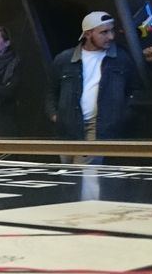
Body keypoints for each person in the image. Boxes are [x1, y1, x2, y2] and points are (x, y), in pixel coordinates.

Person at [46, 11, 139, 163]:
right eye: (104, 32)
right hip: (68, 125)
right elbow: (52, 91)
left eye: (112, 30)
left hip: (99, 126)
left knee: (84, 173)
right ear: (88, 34)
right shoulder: (65, 59)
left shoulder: (121, 58)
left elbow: (134, 90)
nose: (111, 36)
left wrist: (120, 115)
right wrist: (55, 115)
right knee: (67, 173)